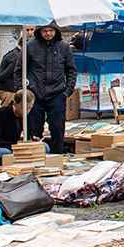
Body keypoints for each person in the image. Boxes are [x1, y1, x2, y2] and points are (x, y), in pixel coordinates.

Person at [26, 22, 76, 157]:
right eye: (45, 31)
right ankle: (35, 156)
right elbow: (20, 70)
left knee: (57, 127)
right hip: (35, 93)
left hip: (57, 93)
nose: (48, 34)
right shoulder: (31, 46)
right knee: (34, 129)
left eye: (51, 31)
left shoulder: (63, 47)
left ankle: (57, 156)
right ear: (39, 32)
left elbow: (71, 70)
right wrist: (24, 90)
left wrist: (67, 91)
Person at [0, 90, 34, 158]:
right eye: (23, 108)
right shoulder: (2, 113)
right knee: (6, 153)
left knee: (45, 147)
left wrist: (33, 140)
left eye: (29, 108)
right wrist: (17, 145)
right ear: (14, 103)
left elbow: (29, 134)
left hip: (15, 147)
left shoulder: (25, 116)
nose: (27, 111)